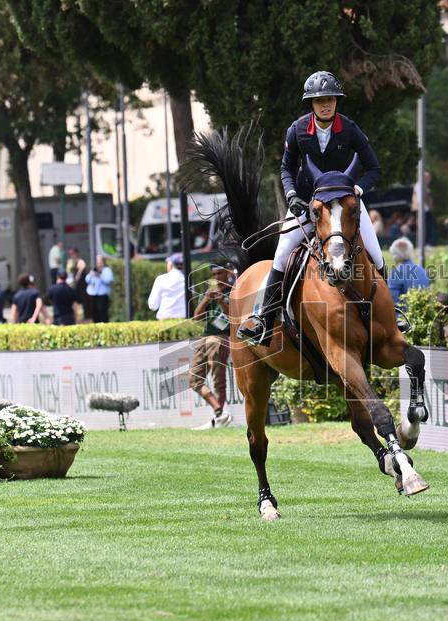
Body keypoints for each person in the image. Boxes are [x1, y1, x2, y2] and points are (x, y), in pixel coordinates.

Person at [237, 70, 384, 345]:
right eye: (319, 101)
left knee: (376, 254)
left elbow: (373, 167)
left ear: (336, 101)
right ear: (311, 104)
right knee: (281, 256)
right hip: (308, 205)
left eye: (330, 99)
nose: (325, 104)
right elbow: (286, 168)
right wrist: (292, 194)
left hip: (345, 206)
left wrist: (359, 189)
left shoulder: (350, 129)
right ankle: (263, 320)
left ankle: (391, 312)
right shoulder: (297, 130)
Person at [190, 264, 234, 431]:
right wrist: (207, 298)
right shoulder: (210, 290)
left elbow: (234, 316)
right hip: (205, 336)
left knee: (218, 381)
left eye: (220, 273)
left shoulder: (234, 290)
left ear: (228, 273)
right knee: (194, 379)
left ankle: (219, 418)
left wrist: (222, 301)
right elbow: (197, 317)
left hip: (221, 337)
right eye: (214, 274)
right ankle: (219, 411)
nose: (216, 277)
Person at [387, 237, 431, 305]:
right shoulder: (422, 270)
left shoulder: (396, 273)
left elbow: (391, 301)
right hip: (424, 312)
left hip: (404, 314)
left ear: (395, 256)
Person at [148, 253, 187, 319]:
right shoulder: (188, 279)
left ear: (171, 265)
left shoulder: (161, 279)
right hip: (184, 319)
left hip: (165, 319)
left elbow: (153, 306)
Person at [410, 170, 436, 245]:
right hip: (422, 210)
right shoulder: (420, 186)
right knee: (424, 228)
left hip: (424, 210)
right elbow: (420, 199)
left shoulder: (422, 185)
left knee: (426, 227)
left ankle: (425, 243)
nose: (429, 179)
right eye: (428, 177)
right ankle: (425, 243)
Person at [85, 255, 113, 323]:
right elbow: (87, 280)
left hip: (102, 295)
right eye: (97, 262)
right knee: (94, 313)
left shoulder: (107, 270)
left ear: (103, 262)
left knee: (102, 312)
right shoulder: (94, 270)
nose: (98, 263)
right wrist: (92, 274)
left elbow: (108, 280)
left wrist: (99, 275)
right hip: (93, 294)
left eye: (99, 262)